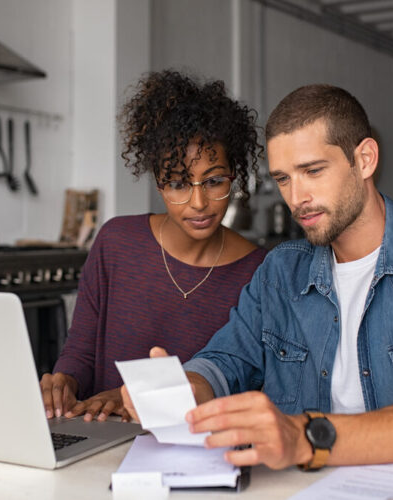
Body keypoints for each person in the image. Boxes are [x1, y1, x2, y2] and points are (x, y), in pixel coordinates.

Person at [123, 84, 393, 469]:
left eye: (312, 171)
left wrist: (308, 437)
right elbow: (225, 360)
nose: (296, 197)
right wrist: (186, 388)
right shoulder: (280, 271)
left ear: (365, 159)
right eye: (283, 178)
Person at [40, 70, 268, 422]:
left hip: (194, 452)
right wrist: (64, 382)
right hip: (99, 438)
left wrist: (130, 397)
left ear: (234, 177)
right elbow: (81, 351)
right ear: (159, 184)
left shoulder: (259, 271)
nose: (198, 202)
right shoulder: (116, 242)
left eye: (214, 181)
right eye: (178, 183)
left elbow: (243, 383)